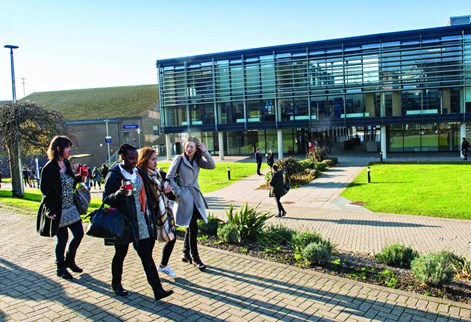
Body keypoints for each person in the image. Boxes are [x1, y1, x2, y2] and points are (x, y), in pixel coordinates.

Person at [102, 143, 173, 300]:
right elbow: (106, 199)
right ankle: (116, 284)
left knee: (146, 256)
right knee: (120, 254)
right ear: (122, 157)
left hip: (141, 221)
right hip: (124, 222)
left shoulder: (138, 172)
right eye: (130, 158)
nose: (134, 161)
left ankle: (158, 289)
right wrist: (120, 193)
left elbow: (154, 183)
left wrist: (166, 181)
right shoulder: (114, 174)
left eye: (136, 158)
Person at [36, 135, 84, 279]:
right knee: (62, 240)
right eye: (68, 147)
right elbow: (46, 191)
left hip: (71, 207)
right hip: (59, 209)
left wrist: (79, 178)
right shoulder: (49, 168)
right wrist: (50, 209)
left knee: (79, 234)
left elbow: (70, 183)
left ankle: (70, 260)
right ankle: (60, 268)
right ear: (58, 148)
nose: (70, 150)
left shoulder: (67, 164)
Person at [166, 136, 215, 269]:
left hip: (195, 196)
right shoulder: (179, 159)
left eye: (192, 147)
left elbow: (212, 165)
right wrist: (179, 192)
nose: (189, 149)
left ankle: (186, 253)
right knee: (193, 227)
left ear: (196, 148)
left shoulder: (198, 160)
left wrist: (205, 151)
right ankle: (195, 258)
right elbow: (169, 178)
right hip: (184, 197)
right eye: (187, 146)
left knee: (191, 225)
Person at [137, 147, 177, 278]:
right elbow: (148, 196)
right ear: (145, 160)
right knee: (149, 245)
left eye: (156, 159)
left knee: (172, 237)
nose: (156, 162)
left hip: (163, 212)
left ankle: (163, 266)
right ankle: (149, 269)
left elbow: (161, 187)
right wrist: (161, 191)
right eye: (153, 159)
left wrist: (165, 189)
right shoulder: (142, 176)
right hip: (150, 215)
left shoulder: (156, 173)